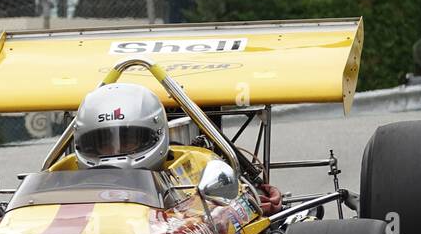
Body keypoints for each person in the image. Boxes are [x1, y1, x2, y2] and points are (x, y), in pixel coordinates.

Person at [71, 83, 282, 214]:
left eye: (128, 140)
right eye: (102, 142)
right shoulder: (63, 177)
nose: (114, 151)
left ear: (155, 134)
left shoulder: (196, 169)